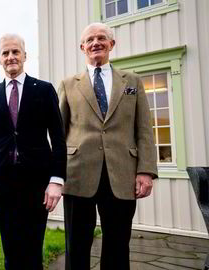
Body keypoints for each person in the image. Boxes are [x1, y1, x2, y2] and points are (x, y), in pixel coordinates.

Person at [58, 22, 158, 270]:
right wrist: (55, 175)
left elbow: (144, 129)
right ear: (82, 47)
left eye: (102, 38)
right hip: (77, 173)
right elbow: (59, 134)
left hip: (122, 174)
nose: (96, 43)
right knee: (77, 243)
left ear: (112, 44)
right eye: (90, 39)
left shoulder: (132, 81)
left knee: (117, 243)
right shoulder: (69, 84)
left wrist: (145, 170)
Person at [0, 34, 67, 270]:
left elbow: (58, 138)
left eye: (15, 52)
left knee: (32, 250)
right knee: (11, 250)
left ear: (25, 56)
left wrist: (56, 180)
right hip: (3, 184)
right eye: (5, 53)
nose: (11, 57)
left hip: (37, 184)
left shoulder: (44, 90)